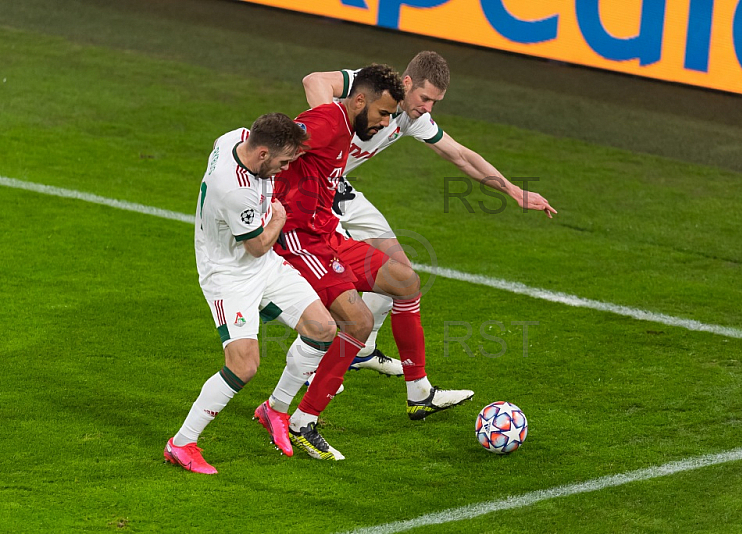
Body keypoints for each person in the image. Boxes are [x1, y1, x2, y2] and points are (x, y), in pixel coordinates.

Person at [265, 64, 474, 461]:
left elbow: (461, 155)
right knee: (357, 322)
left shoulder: (353, 126)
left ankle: (418, 393)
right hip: (299, 239)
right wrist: (259, 201)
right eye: (381, 115)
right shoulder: (329, 123)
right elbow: (274, 146)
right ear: (360, 101)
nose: (385, 124)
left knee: (406, 280)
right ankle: (303, 421)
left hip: (327, 231)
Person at [301, 51, 557, 366]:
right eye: (425, 98)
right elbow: (314, 80)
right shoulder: (370, 85)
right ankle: (312, 370)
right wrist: (332, 129)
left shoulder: (413, 117)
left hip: (341, 189)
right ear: (406, 82)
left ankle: (361, 351)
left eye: (435, 102)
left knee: (401, 273)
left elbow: (461, 155)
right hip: (311, 191)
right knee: (333, 284)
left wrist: (515, 191)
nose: (428, 108)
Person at [164, 113, 344, 474]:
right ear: (263, 154)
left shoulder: (236, 136)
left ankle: (275, 408)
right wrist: (278, 216)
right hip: (229, 275)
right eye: (283, 162)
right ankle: (181, 444)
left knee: (322, 328)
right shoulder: (235, 191)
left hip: (262, 266)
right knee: (244, 366)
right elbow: (259, 245)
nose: (285, 168)